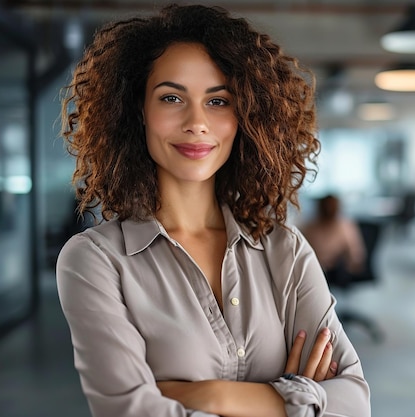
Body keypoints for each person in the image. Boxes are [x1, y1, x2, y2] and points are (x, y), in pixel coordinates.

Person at [56, 4, 370, 417]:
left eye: (218, 101)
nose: (197, 122)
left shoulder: (285, 250)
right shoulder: (95, 261)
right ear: (139, 112)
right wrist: (295, 400)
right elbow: (132, 412)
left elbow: (354, 404)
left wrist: (207, 396)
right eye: (171, 98)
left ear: (245, 117)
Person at [301, 195, 366, 283]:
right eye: (326, 207)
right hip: (315, 270)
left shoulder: (345, 227)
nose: (329, 209)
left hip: (337, 272)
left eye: (332, 207)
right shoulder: (309, 228)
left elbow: (356, 256)